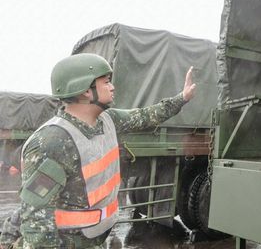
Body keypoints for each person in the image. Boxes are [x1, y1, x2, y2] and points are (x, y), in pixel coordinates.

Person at [0, 53, 196, 249]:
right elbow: (37, 222)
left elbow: (146, 116)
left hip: (94, 240)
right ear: (86, 90)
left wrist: (182, 98)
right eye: (106, 82)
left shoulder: (108, 120)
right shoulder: (54, 143)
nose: (112, 87)